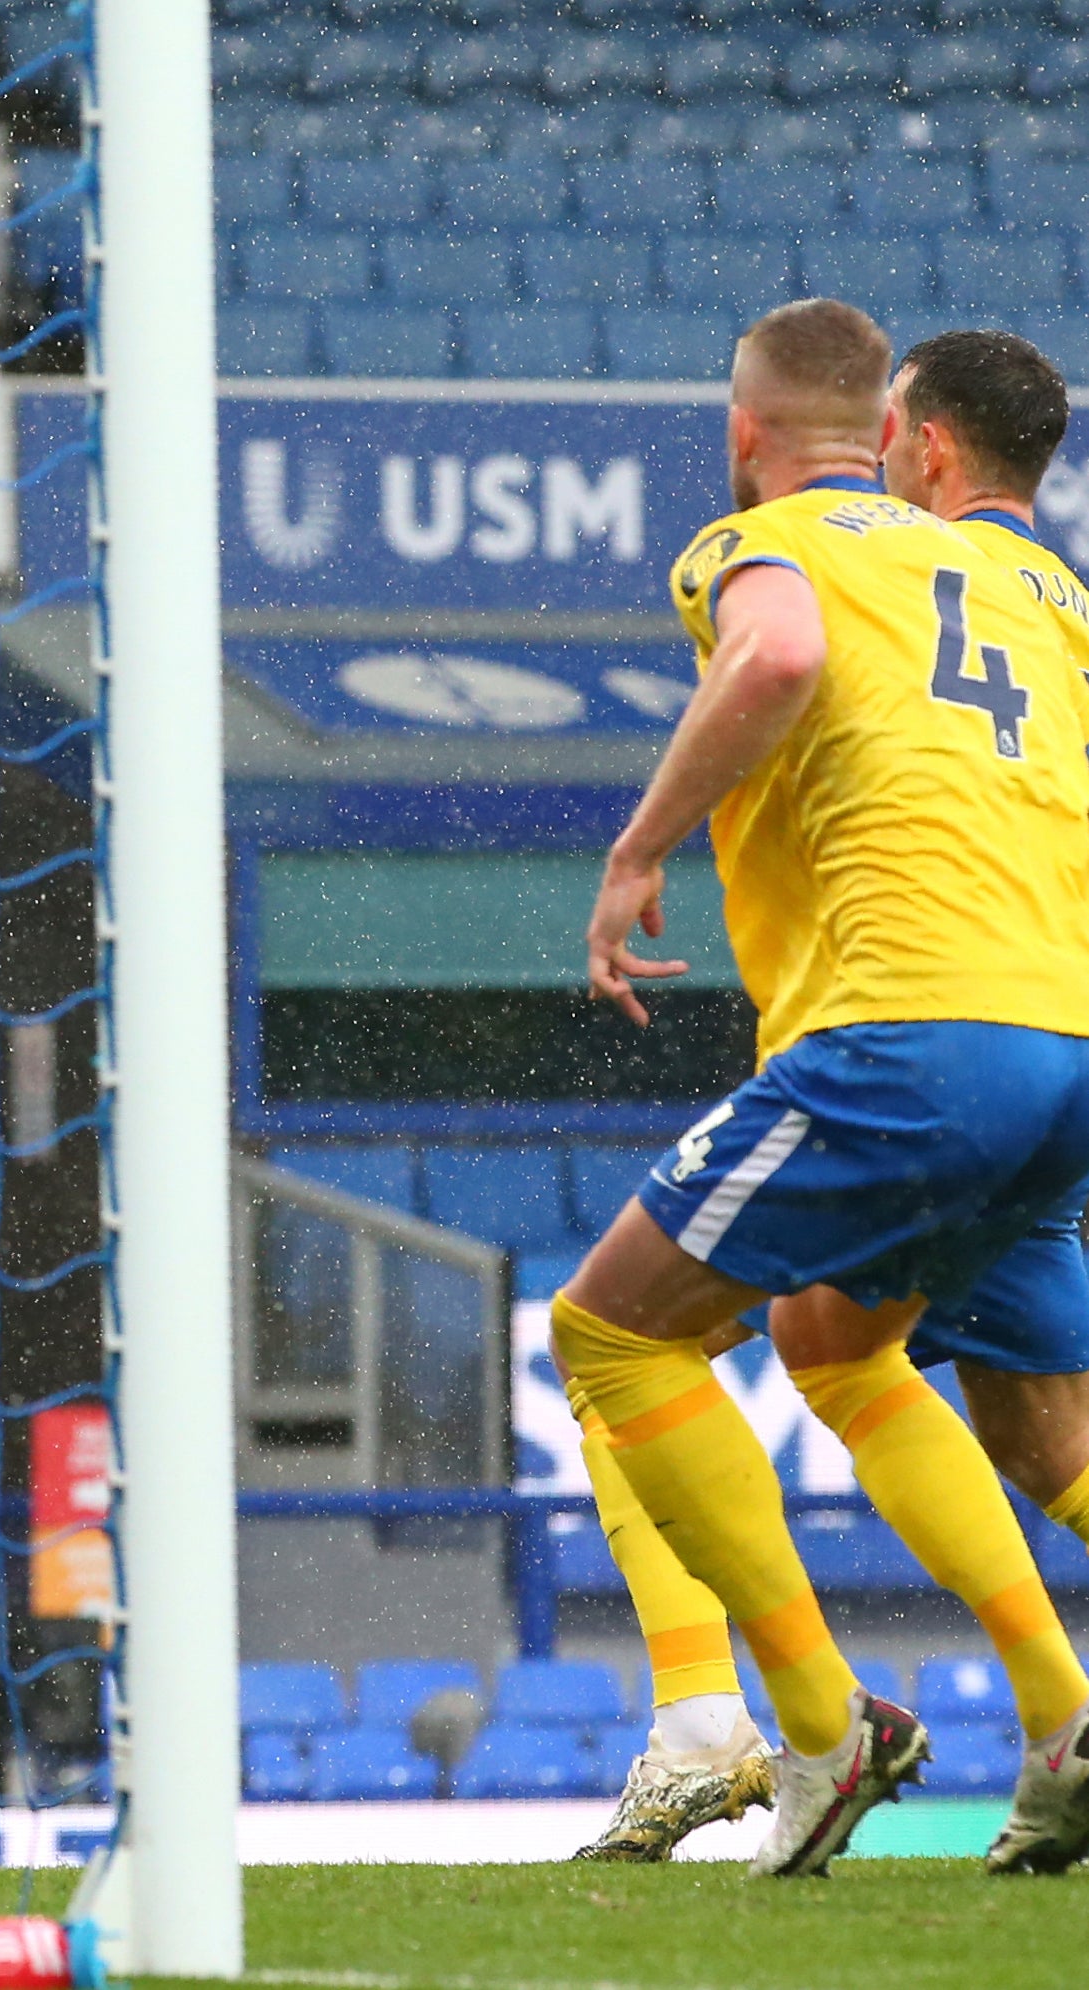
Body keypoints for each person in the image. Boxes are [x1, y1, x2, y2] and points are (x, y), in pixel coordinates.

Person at [560, 299, 1089, 1877]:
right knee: (918, 1372)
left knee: (609, 1331)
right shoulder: (1033, 581)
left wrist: (640, 845)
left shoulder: (774, 544)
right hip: (1059, 1035)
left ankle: (774, 1718)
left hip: (907, 1038)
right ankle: (1061, 1724)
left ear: (741, 435)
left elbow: (781, 651)